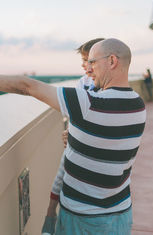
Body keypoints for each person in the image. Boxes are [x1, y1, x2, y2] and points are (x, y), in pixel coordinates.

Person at [0, 38, 146, 235]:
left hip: (82, 218)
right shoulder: (138, 106)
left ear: (112, 61)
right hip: (120, 214)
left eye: (92, 62)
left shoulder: (87, 104)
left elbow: (26, 86)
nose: (89, 69)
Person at [42, 38, 104, 235]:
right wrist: (71, 131)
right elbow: (75, 113)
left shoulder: (108, 88)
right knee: (60, 178)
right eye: (84, 61)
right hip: (73, 146)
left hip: (92, 160)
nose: (86, 66)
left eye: (90, 61)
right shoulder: (84, 83)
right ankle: (50, 216)